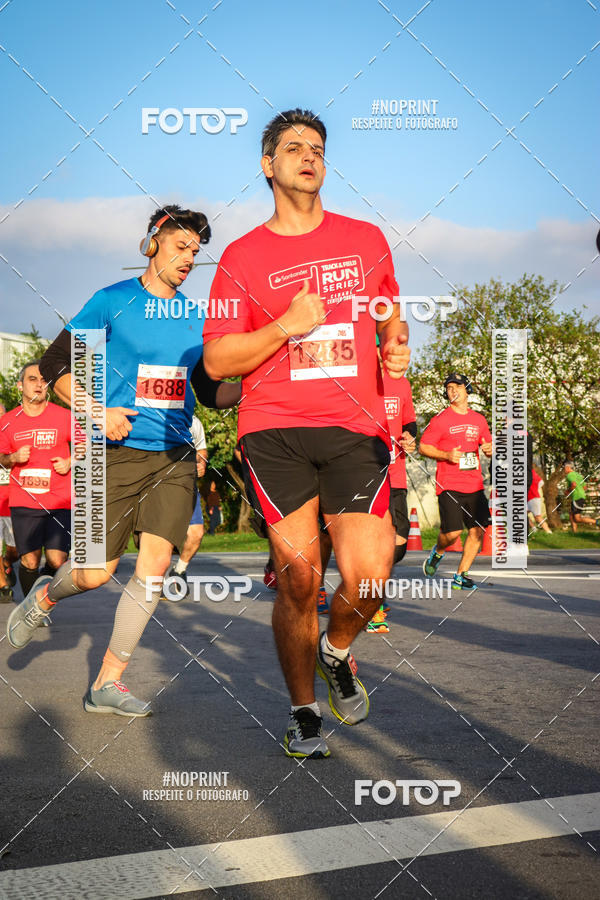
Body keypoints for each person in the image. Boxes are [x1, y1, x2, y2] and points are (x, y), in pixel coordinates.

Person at [203, 108, 409, 758]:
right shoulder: (241, 257)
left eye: (317, 147)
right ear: (268, 165)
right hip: (275, 429)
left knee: (371, 573)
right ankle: (303, 712)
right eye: (293, 147)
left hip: (355, 425)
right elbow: (218, 362)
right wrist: (285, 326)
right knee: (298, 576)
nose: (308, 155)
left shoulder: (366, 239)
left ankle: (337, 648)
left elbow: (389, 317)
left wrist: (397, 344)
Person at [7, 205, 240, 717]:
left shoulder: (191, 316)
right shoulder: (112, 302)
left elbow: (207, 388)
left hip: (174, 456)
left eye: (197, 252)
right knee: (94, 575)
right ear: (152, 243)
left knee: (153, 570)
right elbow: (54, 368)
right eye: (182, 247)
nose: (190, 258)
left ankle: (108, 683)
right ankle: (44, 596)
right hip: (108, 453)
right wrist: (98, 410)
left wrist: (257, 383)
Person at [0, 364, 72, 602]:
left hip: (59, 500)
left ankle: (41, 595)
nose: (39, 384)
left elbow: (86, 443)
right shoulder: (8, 421)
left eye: (44, 379)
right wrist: (13, 458)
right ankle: (35, 606)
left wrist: (70, 461)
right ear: (20, 385)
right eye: (32, 379)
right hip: (24, 501)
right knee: (29, 560)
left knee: (57, 560)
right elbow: (1, 459)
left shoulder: (64, 416)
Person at [420, 373, 492, 590]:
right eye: (449, 387)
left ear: (466, 389)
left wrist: (489, 449)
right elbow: (424, 446)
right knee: (451, 534)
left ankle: (461, 575)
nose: (453, 391)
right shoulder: (440, 420)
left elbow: (487, 445)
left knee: (477, 530)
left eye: (457, 386)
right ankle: (438, 552)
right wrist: (446, 455)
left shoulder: (478, 419)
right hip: (449, 484)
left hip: (474, 485)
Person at [365, 369, 417, 634]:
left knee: (399, 544)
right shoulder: (359, 377)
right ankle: (374, 606)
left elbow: (409, 420)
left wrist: (410, 437)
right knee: (376, 543)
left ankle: (366, 589)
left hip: (396, 475)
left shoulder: (401, 382)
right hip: (365, 474)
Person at [164, 414, 209, 599]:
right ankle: (155, 581)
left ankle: (179, 571)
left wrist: (201, 463)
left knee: (196, 533)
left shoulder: (193, 421)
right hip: (161, 487)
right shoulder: (157, 417)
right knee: (162, 538)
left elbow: (202, 450)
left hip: (187, 486)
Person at [0, 402, 18, 602]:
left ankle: (7, 561)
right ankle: (3, 585)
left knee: (16, 550)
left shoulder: (14, 439)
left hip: (13, 503)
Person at [564, 461, 599, 531]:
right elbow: (584, 487)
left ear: (567, 467)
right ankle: (574, 532)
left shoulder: (570, 475)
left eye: (564, 468)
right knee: (571, 514)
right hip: (581, 496)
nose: (564, 470)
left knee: (577, 518)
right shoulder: (578, 475)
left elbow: (573, 484)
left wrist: (567, 491)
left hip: (577, 497)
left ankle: (597, 522)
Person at [527, 468, 551, 533]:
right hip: (531, 498)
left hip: (533, 498)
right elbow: (541, 482)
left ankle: (549, 532)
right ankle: (534, 529)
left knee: (538, 517)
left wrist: (532, 489)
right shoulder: (531, 471)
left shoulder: (528, 471)